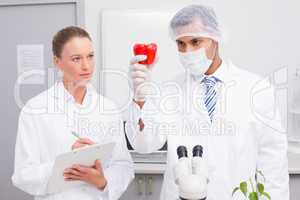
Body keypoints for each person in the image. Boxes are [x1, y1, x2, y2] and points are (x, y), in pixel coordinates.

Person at [125, 5, 289, 200]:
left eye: (196, 42)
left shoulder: (257, 89)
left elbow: (273, 162)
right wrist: (140, 99)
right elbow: (144, 145)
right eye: (181, 43)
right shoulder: (169, 90)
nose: (187, 51)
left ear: (215, 38)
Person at [12, 26, 134, 200]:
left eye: (90, 56)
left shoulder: (108, 108)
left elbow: (123, 165)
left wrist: (102, 181)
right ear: (57, 61)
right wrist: (67, 163)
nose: (86, 66)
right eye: (76, 59)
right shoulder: (35, 109)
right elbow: (23, 176)